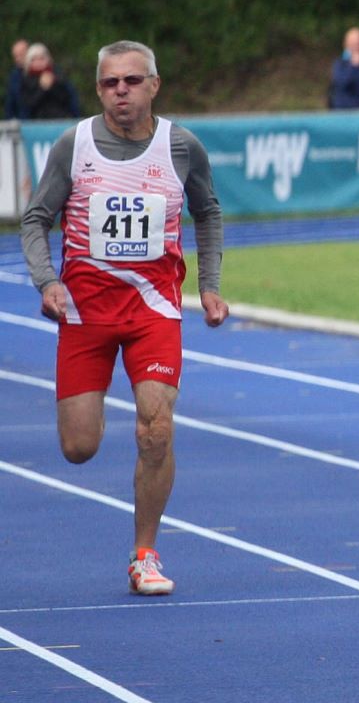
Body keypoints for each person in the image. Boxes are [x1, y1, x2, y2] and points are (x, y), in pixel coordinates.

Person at [20, 40, 229, 595]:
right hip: (86, 313)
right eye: (111, 83)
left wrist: (209, 286)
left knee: (155, 427)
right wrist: (48, 281)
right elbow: (35, 218)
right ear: (98, 89)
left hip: (153, 310)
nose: (121, 92)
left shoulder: (180, 146)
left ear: (154, 86)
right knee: (79, 447)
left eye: (132, 81)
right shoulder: (75, 144)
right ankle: (96, 406)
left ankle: (145, 555)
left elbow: (207, 211)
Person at [18, 42, 82, 120]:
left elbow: (67, 99)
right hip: (35, 123)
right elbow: (27, 105)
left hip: (59, 120)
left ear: (48, 60)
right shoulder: (24, 79)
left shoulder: (58, 75)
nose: (38, 62)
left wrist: (52, 85)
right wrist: (42, 89)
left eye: (41, 58)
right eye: (34, 59)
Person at [327, 26, 359, 109]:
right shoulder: (340, 63)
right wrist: (352, 67)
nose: (358, 44)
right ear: (346, 44)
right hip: (344, 113)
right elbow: (340, 85)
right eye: (355, 42)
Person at [5, 39, 28, 119]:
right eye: (15, 56)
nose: (18, 59)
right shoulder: (14, 77)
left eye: (21, 55)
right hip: (23, 124)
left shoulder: (47, 72)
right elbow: (10, 105)